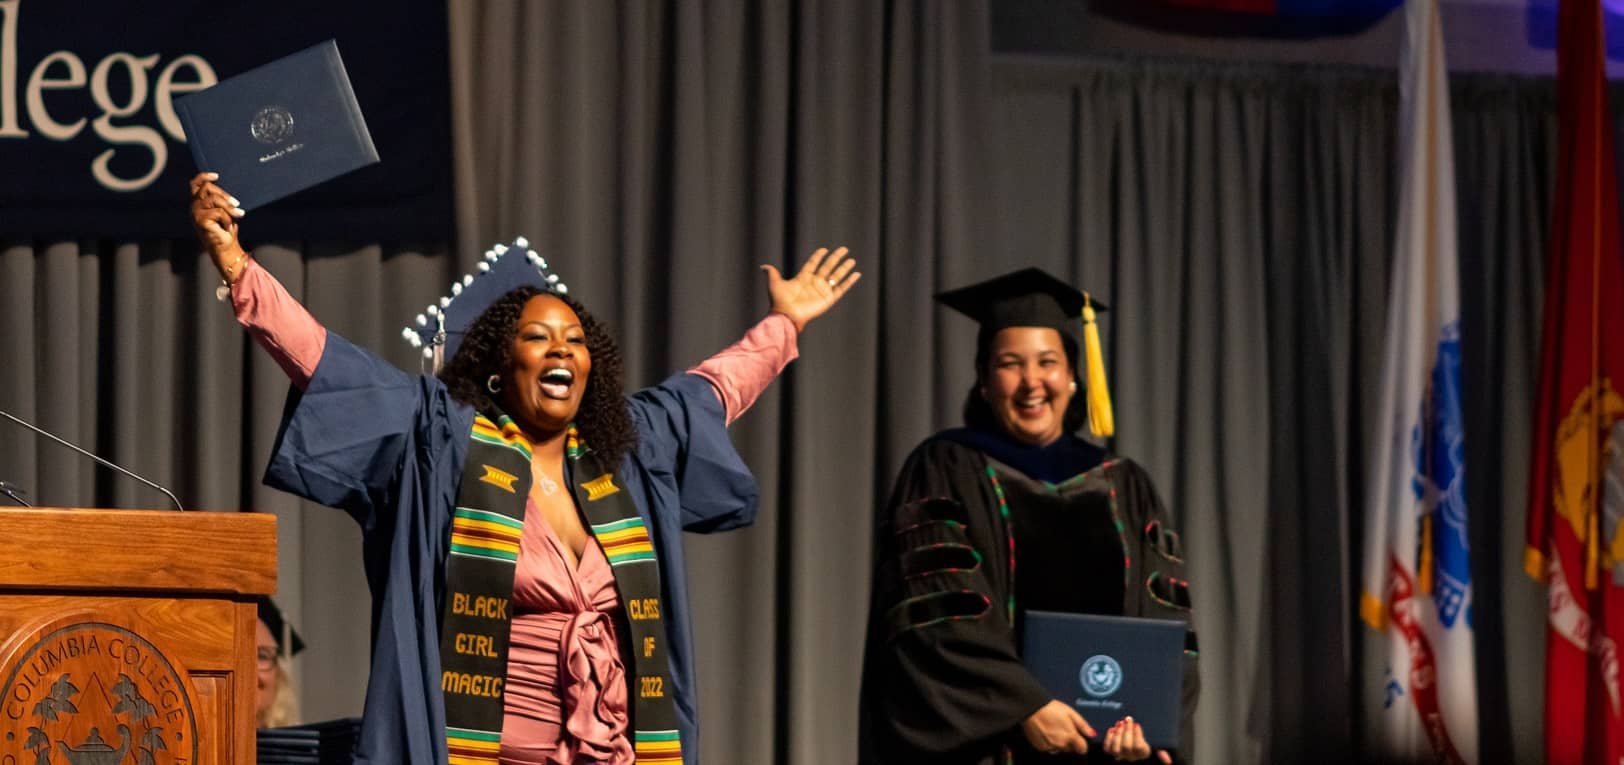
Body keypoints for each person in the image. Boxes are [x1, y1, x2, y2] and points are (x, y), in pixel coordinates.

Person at [189, 172, 860, 765]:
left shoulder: (624, 454)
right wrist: (237, 265)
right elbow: (327, 363)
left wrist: (783, 323)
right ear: (499, 364)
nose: (560, 348)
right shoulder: (446, 441)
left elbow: (711, 391)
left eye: (574, 339)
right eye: (537, 337)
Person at [859, 268, 1199, 765]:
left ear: (1073, 376)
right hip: (993, 748)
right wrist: (1025, 707)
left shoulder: (1125, 485)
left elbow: (1168, 620)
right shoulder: (944, 468)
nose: (1031, 382)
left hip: (1104, 751)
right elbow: (931, 615)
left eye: (1048, 362)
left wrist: (1149, 722)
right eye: (1010, 364)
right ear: (983, 379)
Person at [256, 595, 304, 729]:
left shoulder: (298, 746)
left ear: (279, 674)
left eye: (262, 656)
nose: (250, 670)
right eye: (239, 655)